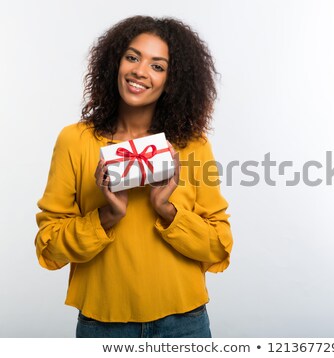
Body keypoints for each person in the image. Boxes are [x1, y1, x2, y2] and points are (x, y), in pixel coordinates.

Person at [34, 15, 233, 338]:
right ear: (115, 63)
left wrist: (167, 210)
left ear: (173, 80)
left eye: (158, 66)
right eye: (132, 57)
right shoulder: (75, 140)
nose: (140, 71)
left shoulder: (192, 145)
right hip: (103, 324)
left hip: (184, 323)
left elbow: (219, 247)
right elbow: (49, 248)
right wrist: (107, 216)